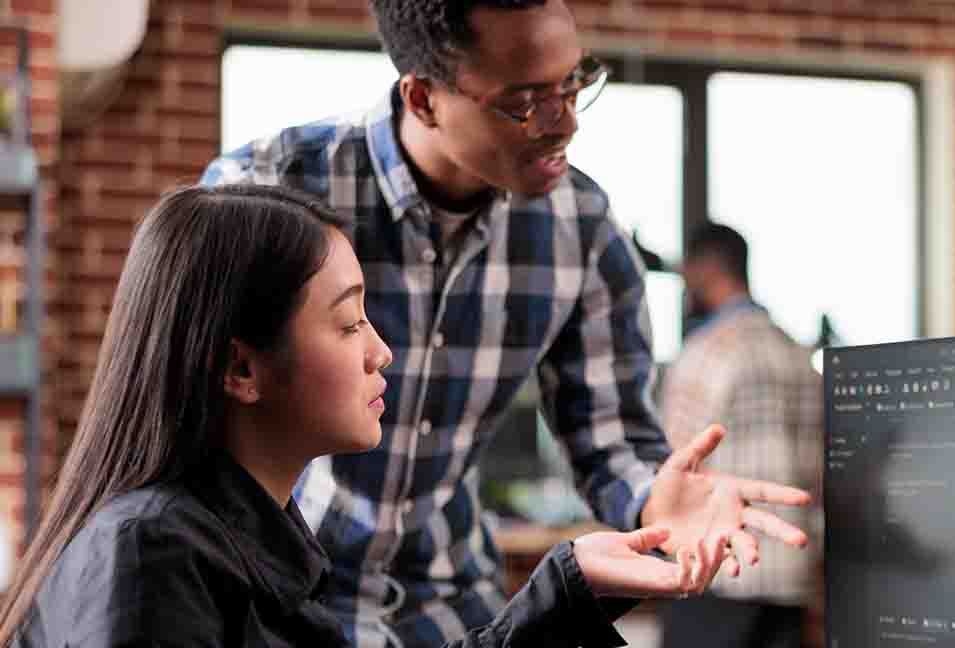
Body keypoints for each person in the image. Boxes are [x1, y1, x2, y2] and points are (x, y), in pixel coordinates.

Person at [201, 1, 811, 645]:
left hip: (451, 609)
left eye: (574, 84)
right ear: (423, 98)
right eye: (524, 102)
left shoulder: (582, 228)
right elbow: (188, 436)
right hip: (276, 599)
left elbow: (611, 436)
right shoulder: (269, 190)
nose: (564, 123)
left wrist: (660, 499)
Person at [0, 185, 732, 647]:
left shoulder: (255, 539)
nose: (382, 353)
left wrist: (566, 586)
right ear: (241, 368)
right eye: (349, 325)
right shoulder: (150, 558)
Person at [658, 224, 825, 648]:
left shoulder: (705, 353)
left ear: (705, 269)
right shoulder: (798, 355)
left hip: (720, 576)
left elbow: (673, 467)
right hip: (792, 577)